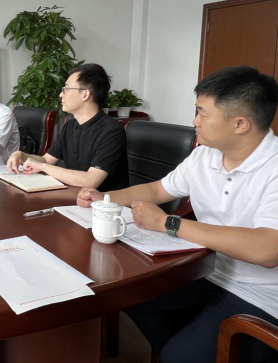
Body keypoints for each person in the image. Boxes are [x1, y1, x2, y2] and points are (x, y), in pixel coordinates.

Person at [76, 66, 278, 363]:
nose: (194, 121)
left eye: (202, 113)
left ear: (240, 124)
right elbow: (158, 190)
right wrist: (103, 197)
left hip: (259, 296)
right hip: (205, 270)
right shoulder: (205, 154)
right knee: (129, 296)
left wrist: (168, 223)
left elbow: (267, 249)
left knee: (179, 353)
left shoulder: (273, 167)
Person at [6, 63, 128, 190]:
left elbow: (91, 180)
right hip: (74, 196)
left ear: (85, 94)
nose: (61, 95)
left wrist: (43, 167)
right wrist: (22, 155)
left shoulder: (112, 131)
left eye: (66, 89)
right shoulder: (70, 124)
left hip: (103, 200)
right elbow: (46, 160)